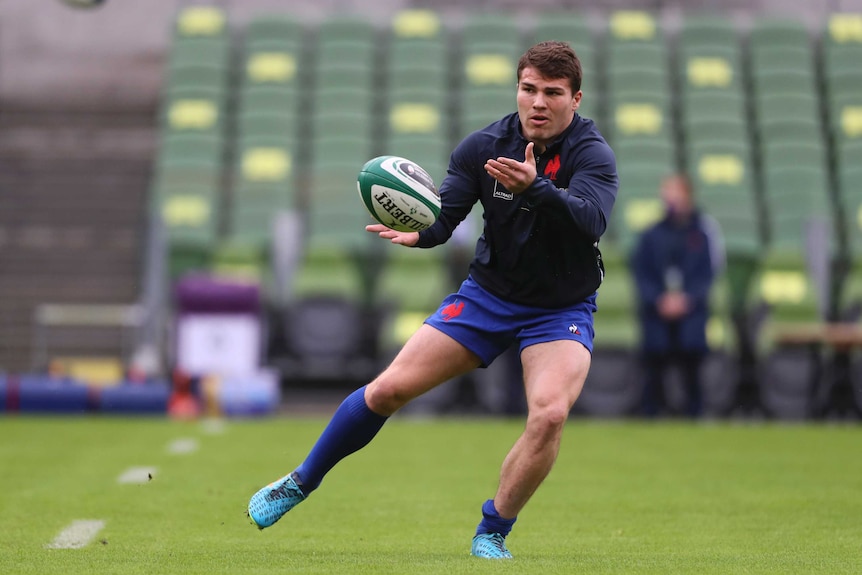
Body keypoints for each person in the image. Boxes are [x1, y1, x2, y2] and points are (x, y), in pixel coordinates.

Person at [247, 41, 618, 560]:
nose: (538, 102)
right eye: (529, 89)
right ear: (517, 89)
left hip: (560, 308)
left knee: (550, 414)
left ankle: (492, 531)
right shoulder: (482, 147)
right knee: (387, 390)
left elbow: (591, 221)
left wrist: (536, 188)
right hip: (489, 295)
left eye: (552, 93)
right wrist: (419, 234)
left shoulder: (592, 154)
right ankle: (300, 481)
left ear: (575, 99)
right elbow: (446, 219)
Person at [630, 174, 720, 418]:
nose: (670, 198)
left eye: (675, 192)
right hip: (657, 312)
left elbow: (707, 274)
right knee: (654, 364)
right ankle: (651, 413)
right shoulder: (650, 235)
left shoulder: (702, 233)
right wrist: (659, 300)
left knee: (692, 363)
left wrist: (687, 299)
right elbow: (641, 273)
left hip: (690, 312)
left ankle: (695, 412)